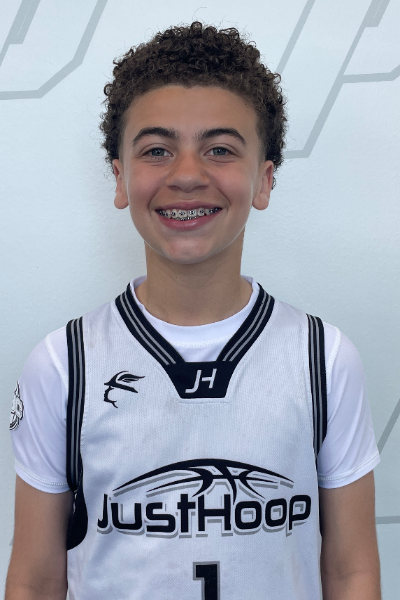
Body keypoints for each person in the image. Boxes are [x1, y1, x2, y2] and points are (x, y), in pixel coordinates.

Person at [6, 21, 381, 600]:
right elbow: (34, 579)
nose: (186, 174)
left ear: (264, 180)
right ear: (120, 178)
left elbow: (351, 571)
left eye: (220, 150)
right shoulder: (64, 364)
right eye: (157, 150)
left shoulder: (323, 358)